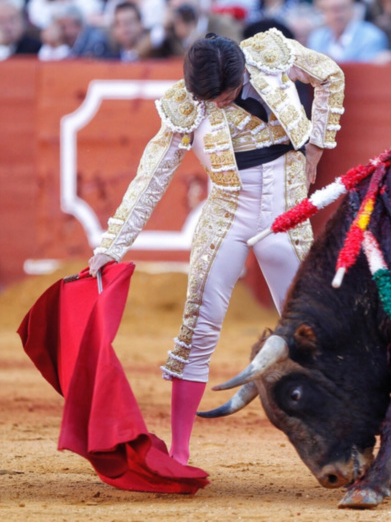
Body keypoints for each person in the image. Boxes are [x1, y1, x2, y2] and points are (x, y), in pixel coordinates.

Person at [87, 30, 345, 466]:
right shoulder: (188, 103)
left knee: (318, 334)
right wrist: (112, 244)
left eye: (224, 94)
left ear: (242, 70)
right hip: (227, 213)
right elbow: (151, 177)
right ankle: (182, 452)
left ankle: (345, 443)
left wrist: (318, 145)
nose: (219, 103)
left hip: (285, 212)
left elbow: (330, 76)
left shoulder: (269, 55)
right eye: (209, 97)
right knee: (198, 326)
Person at [308, 0, 388, 62]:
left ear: (353, 10)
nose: (337, 14)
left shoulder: (372, 36)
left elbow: (368, 72)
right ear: (324, 13)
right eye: (332, 9)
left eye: (342, 7)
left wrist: (334, 64)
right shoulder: (316, 38)